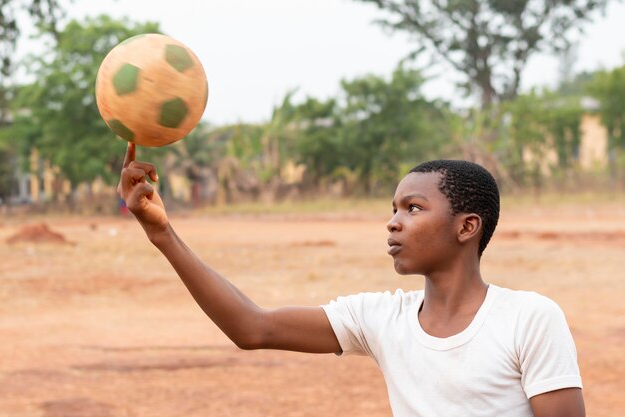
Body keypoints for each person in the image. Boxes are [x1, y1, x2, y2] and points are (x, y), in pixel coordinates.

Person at [118, 142, 584, 417]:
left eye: (414, 208)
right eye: (394, 209)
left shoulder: (528, 319)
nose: (394, 222)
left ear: (467, 227)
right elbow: (252, 328)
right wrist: (162, 233)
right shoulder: (382, 319)